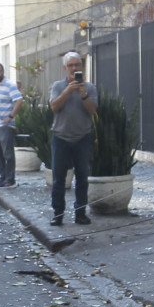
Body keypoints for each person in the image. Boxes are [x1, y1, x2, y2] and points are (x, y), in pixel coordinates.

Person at [46, 51, 97, 226]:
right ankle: (58, 213)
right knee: (59, 179)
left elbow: (92, 110)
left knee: (82, 178)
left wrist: (83, 94)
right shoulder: (58, 86)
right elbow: (53, 107)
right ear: (65, 68)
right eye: (71, 65)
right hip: (61, 137)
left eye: (77, 65)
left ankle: (80, 213)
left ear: (81, 67)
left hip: (82, 137)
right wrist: (68, 91)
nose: (74, 68)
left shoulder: (89, 87)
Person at [0, 62, 24, 187]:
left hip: (5, 125)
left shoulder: (10, 85)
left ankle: (10, 180)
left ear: (3, 72)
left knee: (7, 153)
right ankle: (3, 178)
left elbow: (19, 100)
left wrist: (11, 116)